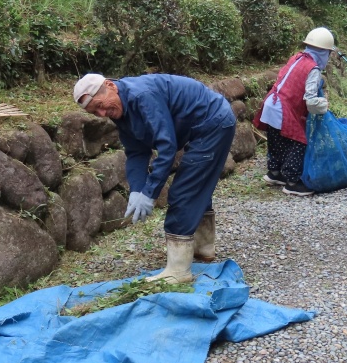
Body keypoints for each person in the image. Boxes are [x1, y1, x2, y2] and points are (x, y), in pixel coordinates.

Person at [73, 72, 236, 283]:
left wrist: (150, 193)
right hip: (200, 127)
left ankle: (178, 270)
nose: (103, 113)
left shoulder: (142, 96)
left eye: (100, 105)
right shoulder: (121, 109)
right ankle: (203, 247)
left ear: (110, 86)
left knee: (184, 192)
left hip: (213, 122)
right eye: (95, 112)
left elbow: (166, 147)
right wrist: (136, 190)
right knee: (196, 185)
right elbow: (136, 152)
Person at [253, 27, 334, 196]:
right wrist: (323, 105)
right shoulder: (313, 69)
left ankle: (274, 173)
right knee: (298, 142)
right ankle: (292, 182)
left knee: (276, 139)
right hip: (285, 108)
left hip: (271, 103)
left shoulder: (297, 57)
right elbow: (310, 100)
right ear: (324, 52)